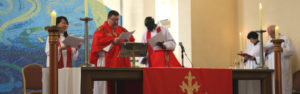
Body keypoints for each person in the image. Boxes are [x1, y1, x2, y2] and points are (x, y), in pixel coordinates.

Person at [90, 10, 137, 94]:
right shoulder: (100, 30)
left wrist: (127, 40)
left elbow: (131, 42)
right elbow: (97, 47)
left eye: (117, 20)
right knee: (105, 88)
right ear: (108, 19)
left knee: (122, 87)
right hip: (106, 62)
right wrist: (112, 42)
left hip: (122, 62)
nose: (116, 22)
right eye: (114, 20)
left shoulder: (122, 30)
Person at [265, 25, 295, 94]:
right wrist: (266, 53)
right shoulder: (269, 41)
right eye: (269, 34)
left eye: (271, 34)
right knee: (273, 85)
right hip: (272, 67)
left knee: (283, 85)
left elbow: (291, 51)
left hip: (282, 67)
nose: (270, 36)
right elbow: (267, 56)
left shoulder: (285, 39)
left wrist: (281, 49)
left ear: (275, 32)